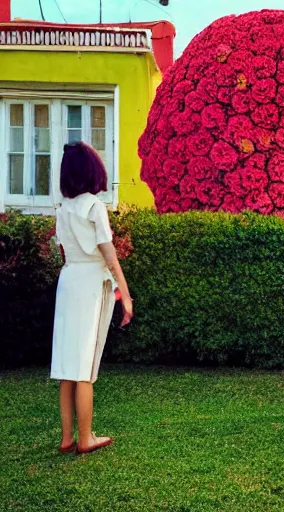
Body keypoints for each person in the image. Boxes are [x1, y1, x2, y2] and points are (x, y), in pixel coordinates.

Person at [51, 142, 133, 455]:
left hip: (69, 280)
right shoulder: (93, 206)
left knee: (67, 364)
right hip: (90, 284)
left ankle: (67, 437)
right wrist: (125, 294)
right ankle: (86, 439)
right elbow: (109, 257)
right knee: (85, 366)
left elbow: (63, 251)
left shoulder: (62, 208)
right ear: (92, 170)